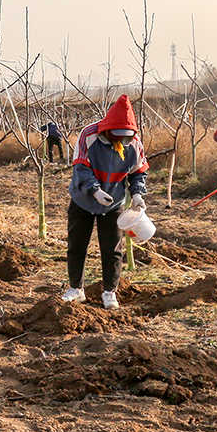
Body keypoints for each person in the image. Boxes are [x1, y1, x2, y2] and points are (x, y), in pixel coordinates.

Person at [63, 95, 148, 310]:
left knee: (112, 249)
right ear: (108, 130)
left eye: (125, 137)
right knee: (77, 245)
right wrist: (94, 190)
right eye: (117, 136)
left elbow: (138, 172)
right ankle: (76, 289)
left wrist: (137, 194)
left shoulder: (134, 143)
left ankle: (110, 292)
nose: (121, 141)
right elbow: (81, 167)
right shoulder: (89, 135)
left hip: (113, 202)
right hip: (83, 199)